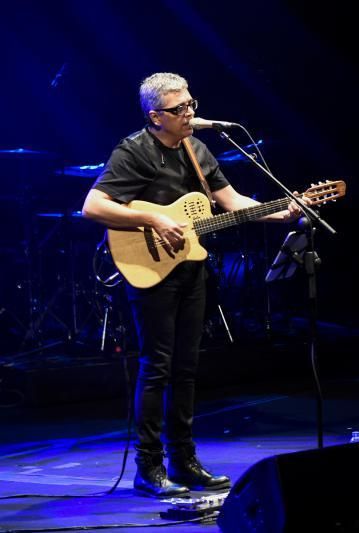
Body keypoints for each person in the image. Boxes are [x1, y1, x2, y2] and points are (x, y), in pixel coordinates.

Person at [82, 73, 305, 497]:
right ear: (155, 116)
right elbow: (93, 205)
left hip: (191, 267)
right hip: (148, 268)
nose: (189, 114)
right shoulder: (134, 151)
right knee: (157, 366)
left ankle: (184, 461)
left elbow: (232, 201)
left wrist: (279, 212)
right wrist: (154, 217)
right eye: (178, 109)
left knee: (186, 368)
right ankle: (149, 468)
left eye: (191, 104)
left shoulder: (196, 148)